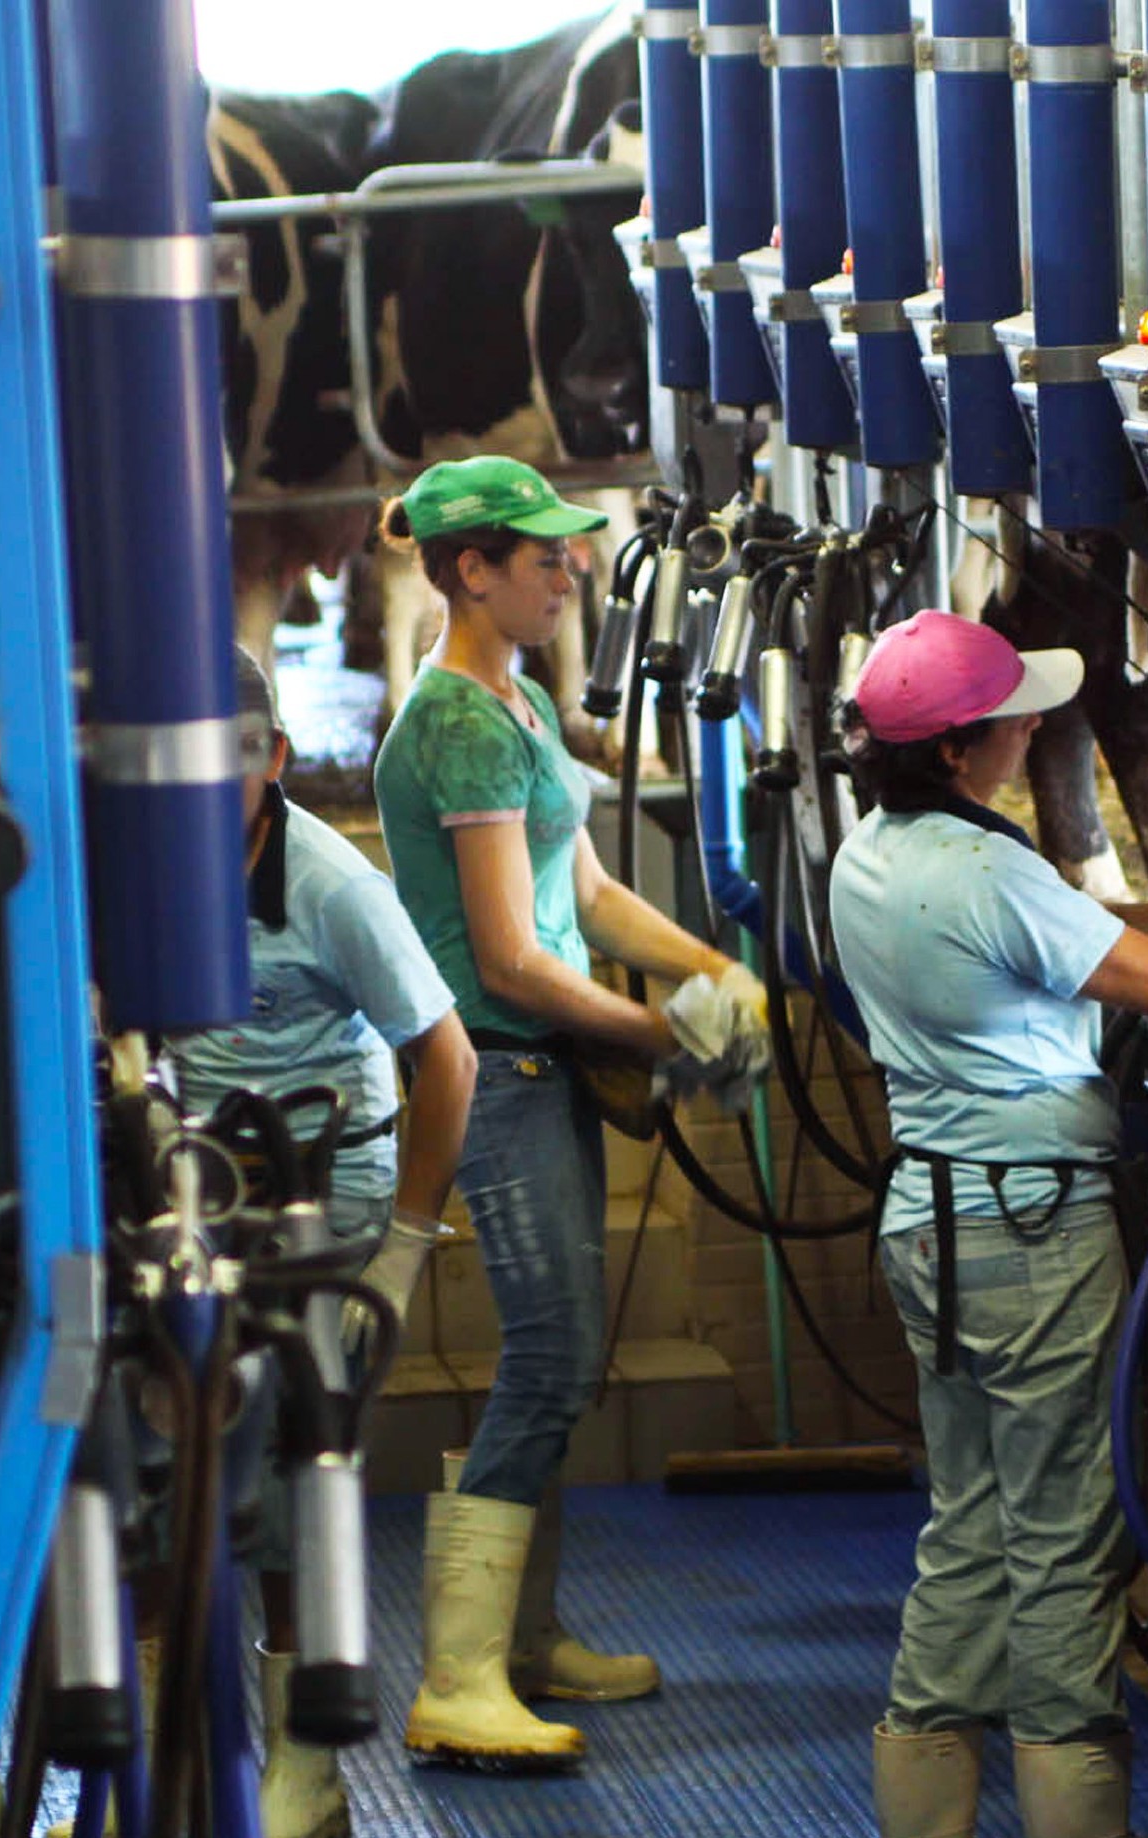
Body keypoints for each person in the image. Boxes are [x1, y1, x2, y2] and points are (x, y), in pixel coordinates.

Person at [826, 608, 1148, 1838]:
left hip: (933, 1222)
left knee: (969, 1532)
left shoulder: (884, 851)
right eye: (1020, 714)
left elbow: (1086, 928)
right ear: (973, 743)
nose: (1038, 725)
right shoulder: (986, 874)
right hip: (1032, 1232)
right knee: (1062, 1540)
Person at [372, 455, 770, 1766]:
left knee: (563, 1350)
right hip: (500, 1067)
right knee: (548, 1354)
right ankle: (459, 1675)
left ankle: (524, 1644)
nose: (571, 568)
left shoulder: (523, 704)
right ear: (470, 569)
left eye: (567, 551)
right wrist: (664, 1031)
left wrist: (710, 967)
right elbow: (510, 960)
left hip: (544, 1068)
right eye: (543, 554)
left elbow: (587, 897)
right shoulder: (456, 726)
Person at [51, 650, 477, 1838]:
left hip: (323, 1191)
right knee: (147, 1477)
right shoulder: (135, 870)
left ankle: (308, 1770)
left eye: (237, 752)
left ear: (275, 760)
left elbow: (449, 1060)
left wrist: (400, 1245)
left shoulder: (334, 887)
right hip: (190, 1176)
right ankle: (154, 1759)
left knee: (293, 1475)